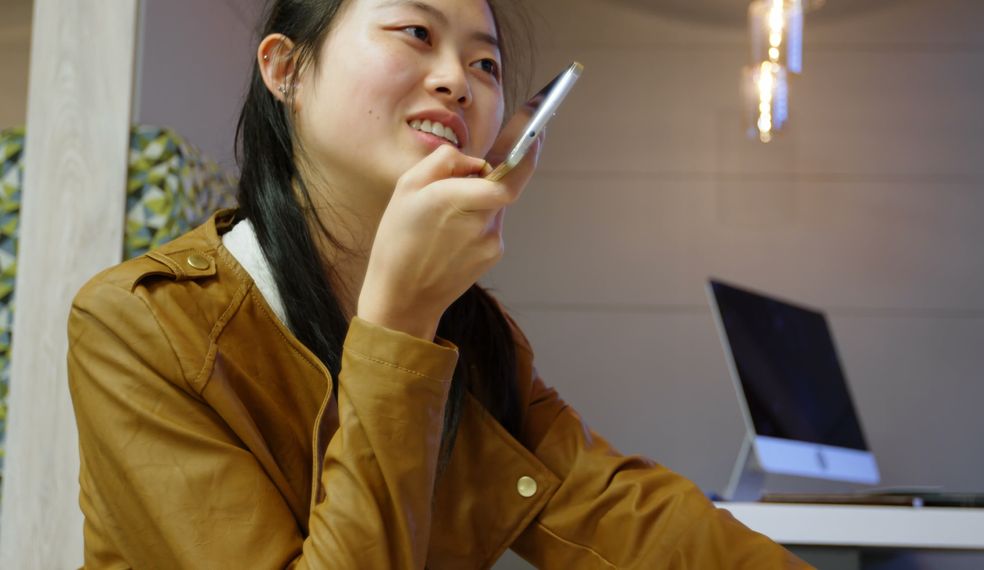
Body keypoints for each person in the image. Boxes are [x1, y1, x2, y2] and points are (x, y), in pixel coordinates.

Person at [67, 0, 810, 567]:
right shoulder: (139, 326)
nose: (458, 81)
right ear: (285, 70)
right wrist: (398, 327)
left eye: (485, 65)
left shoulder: (474, 339)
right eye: (415, 33)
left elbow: (625, 512)